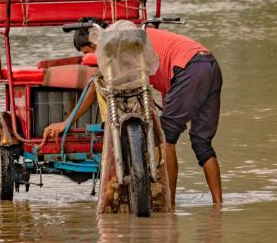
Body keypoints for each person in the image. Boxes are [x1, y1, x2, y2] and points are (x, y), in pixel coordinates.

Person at [40, 18, 223, 206]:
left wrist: (67, 123)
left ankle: (170, 204)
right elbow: (169, 80)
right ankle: (218, 205)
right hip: (209, 64)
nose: (94, 60)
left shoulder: (120, 44)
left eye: (88, 52)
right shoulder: (132, 36)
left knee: (167, 136)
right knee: (202, 143)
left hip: (188, 69)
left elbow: (95, 86)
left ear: (95, 42)